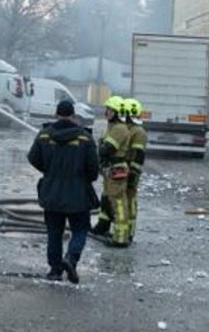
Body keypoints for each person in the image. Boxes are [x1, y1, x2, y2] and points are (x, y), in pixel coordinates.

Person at [27, 97, 99, 283]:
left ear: (56, 114)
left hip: (51, 193)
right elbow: (93, 170)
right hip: (78, 195)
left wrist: (50, 172)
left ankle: (55, 270)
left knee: (54, 232)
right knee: (81, 229)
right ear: (74, 115)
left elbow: (33, 158)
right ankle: (71, 259)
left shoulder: (44, 135)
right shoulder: (85, 137)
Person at [95, 95, 132, 246]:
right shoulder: (112, 127)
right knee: (107, 200)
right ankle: (103, 228)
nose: (106, 112)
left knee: (118, 203)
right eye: (107, 109)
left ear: (116, 112)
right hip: (110, 169)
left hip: (117, 169)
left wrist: (98, 148)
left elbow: (106, 149)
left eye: (109, 109)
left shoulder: (120, 129)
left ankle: (121, 238)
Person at [121, 98, 148, 246]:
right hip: (123, 171)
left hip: (130, 172)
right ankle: (124, 232)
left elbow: (138, 156)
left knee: (130, 202)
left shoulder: (138, 132)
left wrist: (133, 175)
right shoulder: (128, 129)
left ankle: (129, 233)